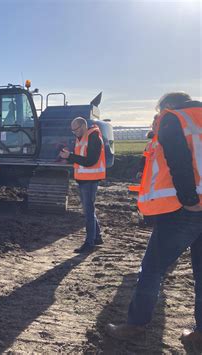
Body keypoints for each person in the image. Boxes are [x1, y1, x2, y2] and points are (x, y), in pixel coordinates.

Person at [105, 92, 202, 350]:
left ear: (168, 106)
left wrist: (189, 199)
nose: (158, 118)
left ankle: (135, 324)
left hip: (186, 209)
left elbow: (179, 161)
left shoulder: (174, 119)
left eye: (159, 112)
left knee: (152, 268)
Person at [59, 117, 106, 253]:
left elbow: (90, 160)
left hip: (90, 180)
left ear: (83, 126)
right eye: (72, 130)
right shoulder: (83, 137)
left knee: (88, 212)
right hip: (84, 179)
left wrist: (70, 156)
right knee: (89, 210)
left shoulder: (93, 137)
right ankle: (97, 237)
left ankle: (89, 243)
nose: (74, 133)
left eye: (76, 129)